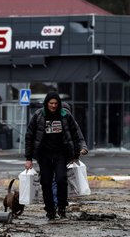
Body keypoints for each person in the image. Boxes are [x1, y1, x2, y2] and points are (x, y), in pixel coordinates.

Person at [24, 91, 85, 220]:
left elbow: (75, 134)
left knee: (61, 180)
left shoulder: (65, 115)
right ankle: (50, 209)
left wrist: (76, 153)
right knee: (45, 183)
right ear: (46, 103)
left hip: (61, 154)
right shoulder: (38, 115)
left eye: (56, 103)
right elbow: (29, 136)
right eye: (51, 103)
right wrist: (28, 159)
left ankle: (62, 207)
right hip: (44, 155)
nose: (53, 106)